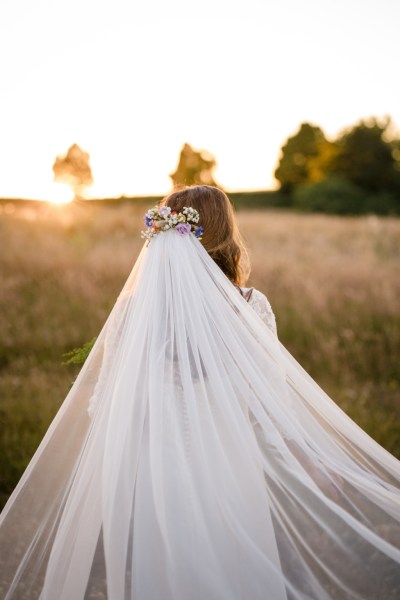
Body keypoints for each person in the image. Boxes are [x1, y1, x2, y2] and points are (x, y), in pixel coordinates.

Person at [0, 185, 399, 600]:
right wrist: (308, 463)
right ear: (227, 233)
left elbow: (106, 407)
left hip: (159, 476)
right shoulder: (250, 307)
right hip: (234, 470)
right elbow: (271, 409)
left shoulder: (133, 312)